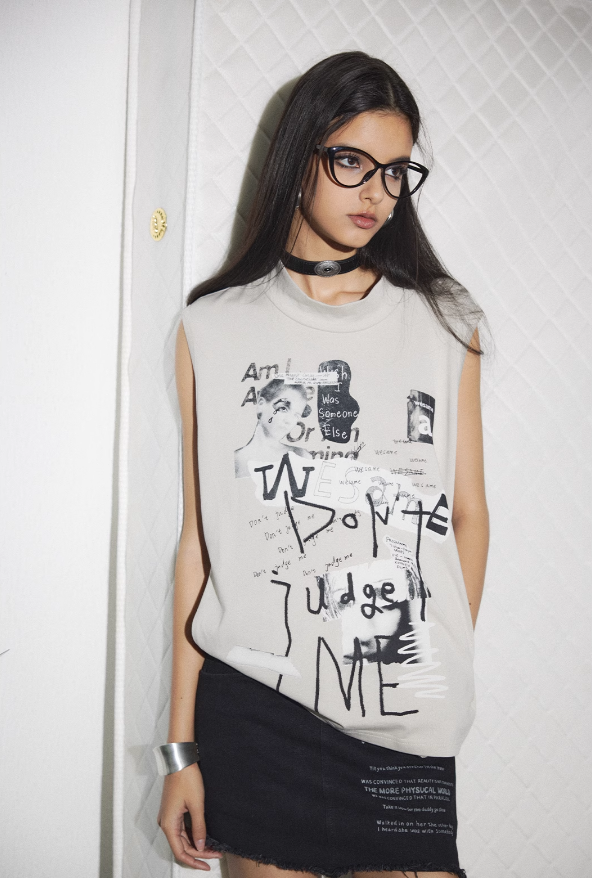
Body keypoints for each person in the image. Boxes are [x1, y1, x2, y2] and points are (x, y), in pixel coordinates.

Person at [156, 51, 489, 878]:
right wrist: (179, 750)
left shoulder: (446, 323)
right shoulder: (213, 329)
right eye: (351, 162)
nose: (376, 192)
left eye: (396, 171)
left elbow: (468, 516)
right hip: (257, 715)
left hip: (402, 716)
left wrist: (429, 659)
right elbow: (200, 547)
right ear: (300, 155)